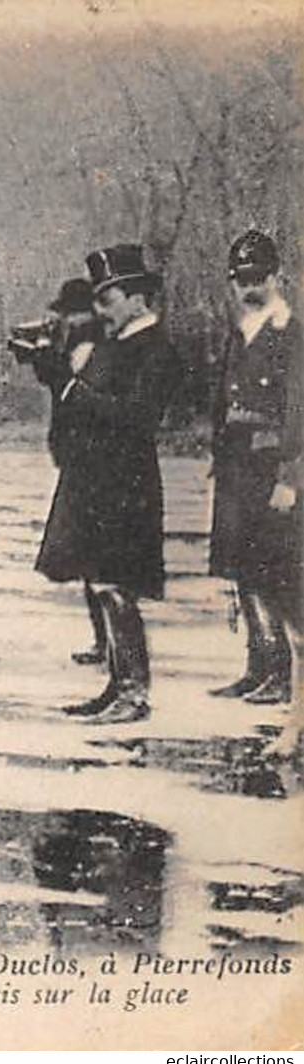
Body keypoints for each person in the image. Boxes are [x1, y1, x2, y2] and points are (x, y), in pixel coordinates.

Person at [35, 244, 178, 724]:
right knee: (102, 584)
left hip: (125, 486)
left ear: (138, 298)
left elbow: (136, 416)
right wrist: (55, 379)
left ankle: (134, 692)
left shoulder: (156, 349)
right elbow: (84, 407)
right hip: (98, 484)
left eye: (109, 298)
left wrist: (72, 387)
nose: (102, 310)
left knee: (117, 588)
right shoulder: (116, 345)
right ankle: (118, 684)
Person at [208, 229, 299, 709]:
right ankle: (256, 667)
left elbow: (298, 411)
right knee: (242, 569)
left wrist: (290, 477)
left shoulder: (291, 335)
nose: (250, 287)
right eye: (241, 278)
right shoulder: (237, 334)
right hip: (236, 466)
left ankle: (283, 672)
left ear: (277, 275)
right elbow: (221, 401)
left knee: (273, 572)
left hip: (268, 466)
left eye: (258, 276)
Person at [19, 278, 112, 699]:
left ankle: (108, 643)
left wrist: (49, 360)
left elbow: (74, 391)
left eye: (71, 313)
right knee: (87, 561)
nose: (65, 320)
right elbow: (60, 384)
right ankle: (103, 641)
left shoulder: (95, 347)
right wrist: (41, 359)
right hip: (78, 459)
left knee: (97, 561)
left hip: (93, 462)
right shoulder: (79, 343)